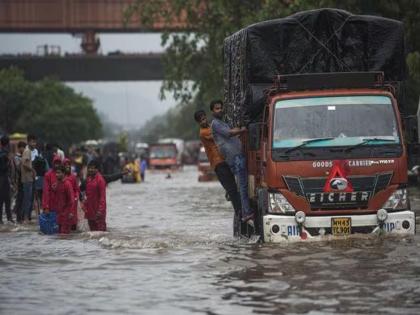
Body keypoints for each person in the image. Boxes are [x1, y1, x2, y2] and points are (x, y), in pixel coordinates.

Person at [210, 100, 255, 225]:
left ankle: (245, 211)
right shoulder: (215, 124)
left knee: (243, 185)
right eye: (217, 108)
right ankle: (246, 213)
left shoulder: (222, 123)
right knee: (243, 186)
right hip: (235, 158)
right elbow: (229, 133)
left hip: (238, 157)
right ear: (212, 111)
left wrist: (239, 129)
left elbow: (232, 131)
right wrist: (243, 130)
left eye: (220, 108)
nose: (220, 110)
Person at [193, 110, 242, 216]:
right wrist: (237, 129)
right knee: (232, 189)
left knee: (234, 186)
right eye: (201, 120)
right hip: (218, 163)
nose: (204, 120)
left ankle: (236, 203)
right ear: (198, 122)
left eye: (204, 118)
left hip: (224, 159)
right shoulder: (204, 133)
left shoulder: (211, 126)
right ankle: (240, 212)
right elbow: (222, 134)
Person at [84, 160, 107, 231]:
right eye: (89, 168)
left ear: (97, 169)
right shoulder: (88, 179)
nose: (90, 170)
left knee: (101, 233)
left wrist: (100, 211)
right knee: (92, 234)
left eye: (93, 168)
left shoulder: (100, 180)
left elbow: (103, 197)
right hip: (90, 211)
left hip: (98, 212)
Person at [53, 165, 74, 234]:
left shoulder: (67, 184)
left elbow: (71, 199)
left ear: (63, 173)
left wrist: (71, 212)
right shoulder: (57, 184)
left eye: (59, 173)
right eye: (56, 173)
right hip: (59, 214)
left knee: (64, 234)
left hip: (66, 214)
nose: (56, 175)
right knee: (59, 234)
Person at [21, 134, 37, 224]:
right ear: (28, 142)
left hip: (28, 178)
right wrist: (33, 170)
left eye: (35, 141)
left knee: (28, 198)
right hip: (27, 179)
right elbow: (25, 164)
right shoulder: (27, 151)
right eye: (32, 142)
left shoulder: (28, 151)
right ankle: (25, 218)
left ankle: (26, 218)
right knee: (27, 199)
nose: (34, 143)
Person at [0, 135, 14, 223]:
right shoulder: (4, 154)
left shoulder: (3, 153)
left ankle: (3, 220)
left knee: (2, 200)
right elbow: (3, 168)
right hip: (3, 178)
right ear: (8, 143)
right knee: (6, 199)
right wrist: (9, 162)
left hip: (3, 178)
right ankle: (9, 219)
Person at [63, 158, 79, 230]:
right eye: (65, 165)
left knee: (73, 218)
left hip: (73, 201)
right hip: (64, 201)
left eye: (68, 164)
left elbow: (76, 189)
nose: (67, 166)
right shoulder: (61, 177)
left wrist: (76, 197)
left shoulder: (73, 177)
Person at [14, 141, 26, 223]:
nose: (23, 149)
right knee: (20, 198)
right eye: (21, 147)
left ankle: (22, 217)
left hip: (26, 180)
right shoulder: (17, 157)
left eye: (24, 147)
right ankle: (18, 217)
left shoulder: (25, 156)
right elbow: (18, 168)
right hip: (19, 180)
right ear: (19, 148)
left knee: (25, 199)